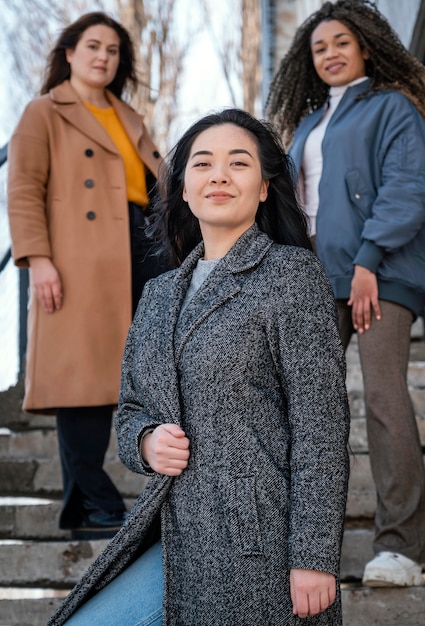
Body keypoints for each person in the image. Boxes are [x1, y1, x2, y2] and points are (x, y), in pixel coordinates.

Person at [46, 108, 351, 626]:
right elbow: (130, 412)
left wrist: (315, 557)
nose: (219, 175)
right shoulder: (160, 294)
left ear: (262, 188)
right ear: (184, 189)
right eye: (203, 164)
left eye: (239, 163)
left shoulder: (291, 275)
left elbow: (320, 426)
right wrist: (145, 441)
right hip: (173, 530)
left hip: (258, 540)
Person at [267, 0, 425, 588]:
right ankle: (300, 543)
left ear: (365, 46)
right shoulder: (312, 125)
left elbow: (409, 188)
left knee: (384, 398)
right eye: (319, 47)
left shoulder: (392, 108)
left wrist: (369, 259)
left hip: (380, 274)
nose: (331, 54)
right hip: (320, 279)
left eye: (341, 42)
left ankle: (402, 547)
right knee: (308, 409)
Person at [7, 12, 169, 540]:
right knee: (82, 376)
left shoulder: (130, 117)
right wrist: (39, 259)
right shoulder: (43, 112)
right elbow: (24, 189)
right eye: (93, 46)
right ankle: (99, 499)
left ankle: (86, 507)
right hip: (81, 254)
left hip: (144, 246)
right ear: (70, 52)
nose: (104, 56)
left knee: (145, 366)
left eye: (114, 50)